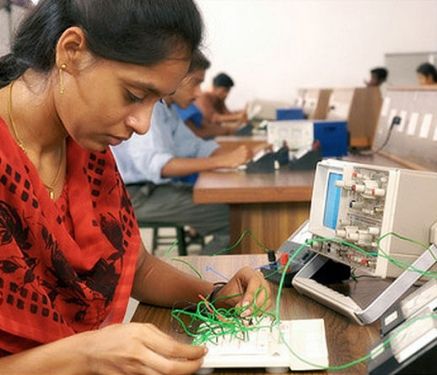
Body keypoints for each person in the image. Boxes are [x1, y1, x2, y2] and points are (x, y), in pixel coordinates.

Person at [0, 1, 271, 374]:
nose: (143, 124)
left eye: (156, 101)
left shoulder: (85, 147)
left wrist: (214, 295)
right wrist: (85, 356)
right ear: (72, 51)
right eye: (132, 94)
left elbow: (138, 267)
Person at [113, 50, 252, 255]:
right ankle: (201, 282)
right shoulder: (151, 109)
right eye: (195, 83)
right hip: (136, 195)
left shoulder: (169, 110)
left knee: (232, 210)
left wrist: (243, 157)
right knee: (234, 220)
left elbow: (198, 146)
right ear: (173, 76)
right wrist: (223, 161)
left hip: (154, 190)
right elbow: (159, 165)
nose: (198, 93)